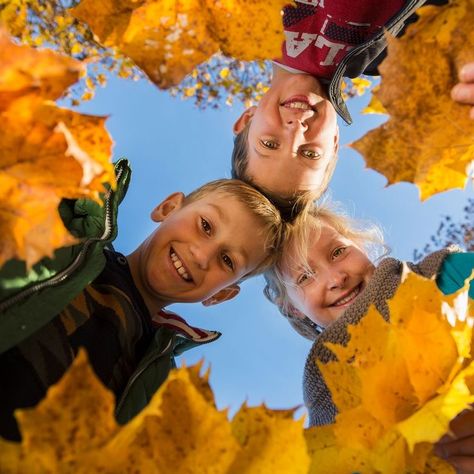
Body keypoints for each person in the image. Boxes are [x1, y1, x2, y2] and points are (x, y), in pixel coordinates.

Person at [0, 159, 286, 441]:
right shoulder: (64, 234)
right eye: (205, 226)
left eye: (227, 260)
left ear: (222, 295)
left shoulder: (158, 390)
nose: (201, 255)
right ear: (168, 207)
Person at [264, 201, 474, 469]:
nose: (335, 278)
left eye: (338, 252)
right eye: (305, 277)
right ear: (293, 308)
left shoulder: (448, 277)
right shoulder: (326, 400)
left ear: (361, 247)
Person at [231, 0, 474, 206]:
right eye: (310, 153)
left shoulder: (243, 15)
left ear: (247, 120)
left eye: (270, 144)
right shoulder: (388, 54)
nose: (296, 130)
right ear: (335, 142)